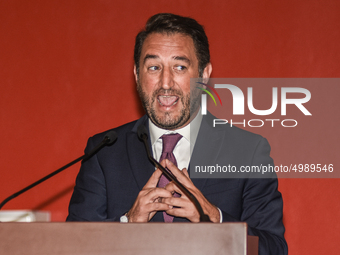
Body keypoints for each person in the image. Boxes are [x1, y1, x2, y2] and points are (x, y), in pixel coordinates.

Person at [67, 13, 288, 255]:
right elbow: (72, 246)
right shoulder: (104, 151)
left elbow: (274, 249)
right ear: (137, 75)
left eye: (180, 67)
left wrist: (215, 219)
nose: (165, 82)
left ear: (204, 75)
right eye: (153, 67)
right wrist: (127, 224)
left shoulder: (247, 152)